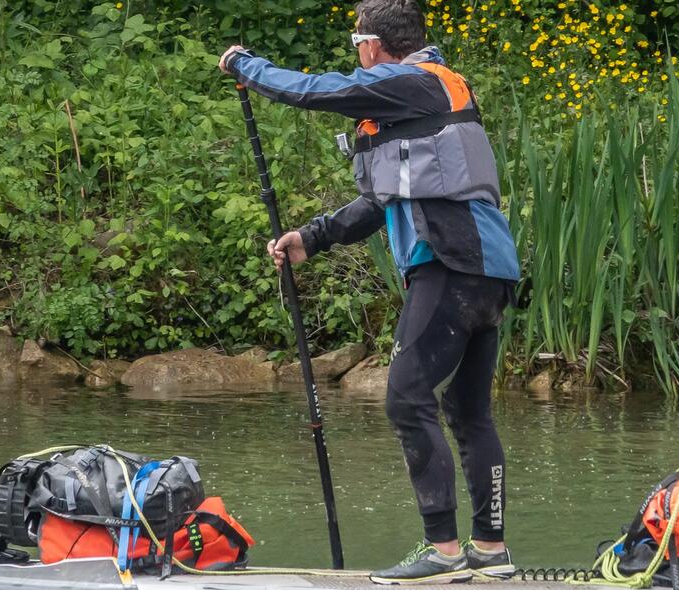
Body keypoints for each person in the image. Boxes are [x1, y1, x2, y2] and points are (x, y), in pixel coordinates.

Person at [219, 0, 521, 584]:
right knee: (466, 409)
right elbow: (388, 198)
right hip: (489, 267)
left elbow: (315, 91)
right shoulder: (429, 92)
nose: (357, 58)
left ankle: (444, 552)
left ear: (374, 45)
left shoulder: (408, 80)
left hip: (451, 263)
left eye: (358, 45)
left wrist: (245, 65)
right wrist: (313, 237)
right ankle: (489, 552)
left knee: (406, 397)